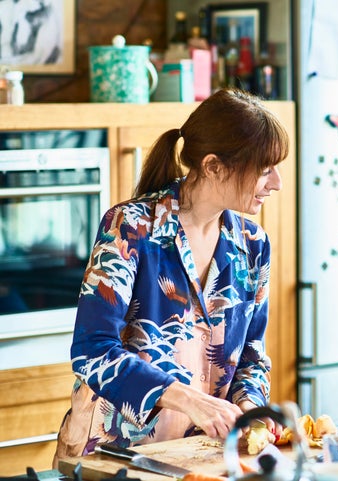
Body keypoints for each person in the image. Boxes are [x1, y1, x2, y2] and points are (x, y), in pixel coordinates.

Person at [53, 89, 289, 462]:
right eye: (263, 170)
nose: (276, 183)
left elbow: (253, 356)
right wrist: (191, 400)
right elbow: (92, 351)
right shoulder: (129, 228)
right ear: (213, 166)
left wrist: (249, 409)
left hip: (198, 457)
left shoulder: (254, 244)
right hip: (113, 457)